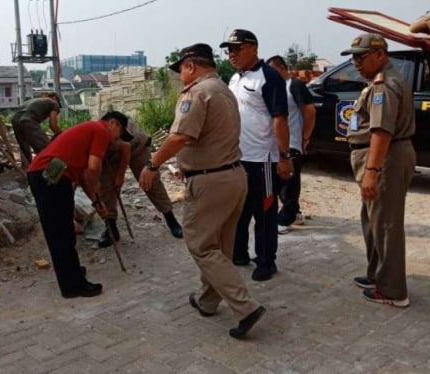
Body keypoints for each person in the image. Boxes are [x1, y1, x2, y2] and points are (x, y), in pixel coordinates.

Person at [139, 43, 265, 339]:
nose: (180, 76)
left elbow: (180, 135)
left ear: (191, 66)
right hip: (233, 175)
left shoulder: (197, 92)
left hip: (210, 183)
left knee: (201, 245)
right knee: (219, 246)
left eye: (180, 69)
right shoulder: (224, 90)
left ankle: (245, 307)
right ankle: (208, 300)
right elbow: (209, 137)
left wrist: (152, 165)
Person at [341, 34, 416, 307]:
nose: (356, 63)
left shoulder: (384, 86)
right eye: (354, 57)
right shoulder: (378, 82)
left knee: (386, 225)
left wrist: (372, 170)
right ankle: (377, 275)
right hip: (384, 156)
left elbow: (382, 132)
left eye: (361, 57)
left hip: (386, 157)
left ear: (380, 55)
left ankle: (393, 290)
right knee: (373, 220)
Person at [27, 111, 134, 298]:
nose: (117, 140)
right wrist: (98, 187)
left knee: (64, 232)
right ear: (113, 124)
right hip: (48, 176)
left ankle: (72, 273)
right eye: (120, 133)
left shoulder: (89, 132)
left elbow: (84, 174)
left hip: (52, 175)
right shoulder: (100, 130)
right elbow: (93, 168)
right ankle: (72, 286)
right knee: (60, 234)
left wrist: (96, 201)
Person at [221, 29, 292, 281]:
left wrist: (284, 156)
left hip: (263, 160)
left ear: (253, 48)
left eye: (237, 49)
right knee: (239, 210)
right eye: (229, 50)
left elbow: (279, 119)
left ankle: (265, 261)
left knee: (264, 212)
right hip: (238, 159)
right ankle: (238, 253)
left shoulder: (269, 77)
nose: (232, 54)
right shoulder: (234, 79)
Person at [97, 112, 183, 248]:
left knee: (151, 181)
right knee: (106, 187)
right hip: (110, 154)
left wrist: (120, 176)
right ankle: (111, 228)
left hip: (136, 145)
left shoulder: (127, 132)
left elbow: (126, 148)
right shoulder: (95, 136)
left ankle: (171, 220)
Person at [266, 55, 316, 234]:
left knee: (290, 184)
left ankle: (284, 219)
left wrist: (305, 137)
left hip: (293, 142)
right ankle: (295, 213)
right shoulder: (276, 88)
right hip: (278, 144)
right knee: (281, 183)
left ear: (280, 67)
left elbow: (309, 111)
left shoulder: (294, 85)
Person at [10, 92, 62, 166]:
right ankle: (46, 169)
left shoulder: (35, 100)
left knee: (24, 147)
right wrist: (61, 133)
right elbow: (52, 125)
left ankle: (27, 169)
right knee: (46, 148)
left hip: (15, 120)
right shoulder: (54, 103)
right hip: (28, 120)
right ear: (55, 99)